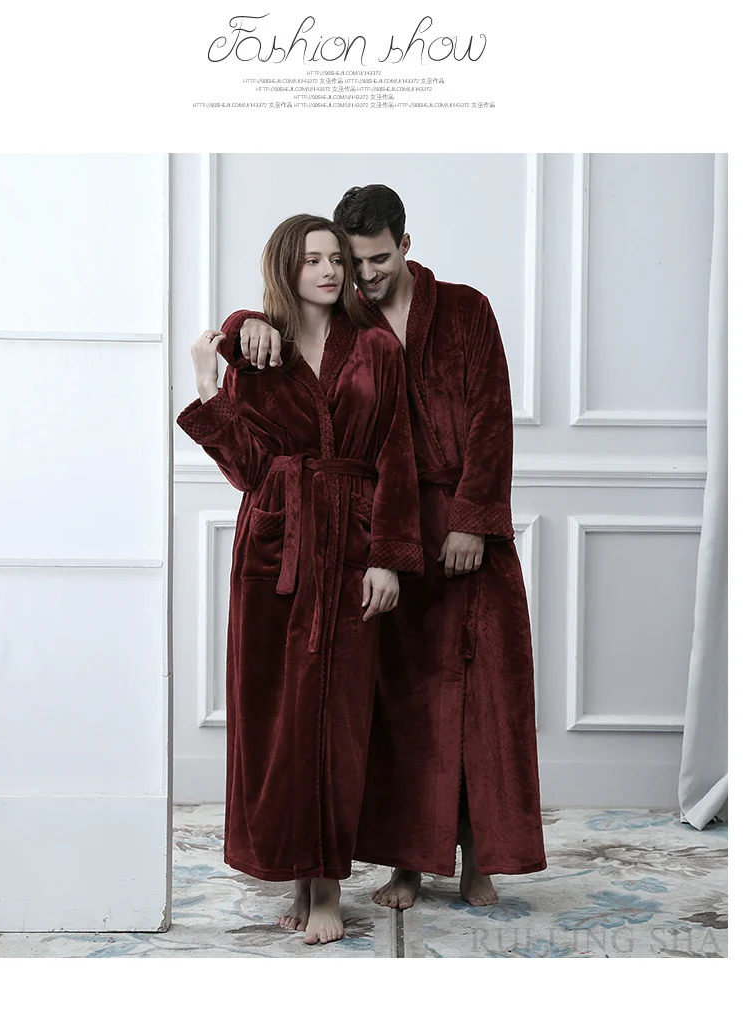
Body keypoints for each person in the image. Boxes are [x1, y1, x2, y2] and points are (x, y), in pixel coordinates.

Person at [218, 186, 547, 912]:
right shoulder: (353, 316)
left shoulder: (464, 309)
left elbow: (492, 416)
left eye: (374, 260)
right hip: (376, 529)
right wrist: (241, 326)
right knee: (396, 705)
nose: (361, 274)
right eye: (349, 260)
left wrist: (474, 519)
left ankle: (479, 856)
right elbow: (279, 324)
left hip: (457, 523)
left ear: (405, 245)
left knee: (482, 697)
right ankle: (406, 863)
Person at [177, 214, 423, 944]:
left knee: (338, 718)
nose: (328, 271)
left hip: (351, 543)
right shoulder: (259, 354)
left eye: (336, 259)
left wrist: (387, 556)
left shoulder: (376, 347)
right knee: (278, 718)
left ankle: (328, 885)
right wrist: (208, 383)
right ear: (285, 268)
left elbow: (396, 455)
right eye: (312, 259)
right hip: (273, 547)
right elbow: (247, 469)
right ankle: (296, 873)